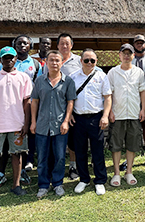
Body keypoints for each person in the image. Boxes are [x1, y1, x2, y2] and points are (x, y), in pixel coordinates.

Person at [0, 46, 32, 203]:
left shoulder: (23, 78)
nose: (8, 60)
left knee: (17, 155)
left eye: (11, 57)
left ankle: (16, 185)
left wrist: (26, 123)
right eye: (5, 58)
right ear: (0, 60)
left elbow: (27, 102)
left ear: (16, 58)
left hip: (17, 124)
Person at [31, 50, 76, 198]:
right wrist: (33, 121)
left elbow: (70, 102)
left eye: (57, 60)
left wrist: (65, 121)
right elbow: (35, 101)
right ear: (47, 62)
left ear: (62, 62)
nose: (54, 63)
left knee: (60, 156)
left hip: (59, 126)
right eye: (51, 60)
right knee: (42, 157)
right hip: (42, 125)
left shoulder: (68, 81)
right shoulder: (39, 81)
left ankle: (57, 183)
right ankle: (43, 185)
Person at [0, 35, 41, 186]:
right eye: (19, 43)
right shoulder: (5, 63)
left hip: (27, 104)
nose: (22, 45)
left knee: (27, 133)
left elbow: (38, 84)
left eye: (25, 43)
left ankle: (27, 164)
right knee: (6, 140)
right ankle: (2, 171)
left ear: (30, 46)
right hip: (7, 108)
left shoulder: (35, 64)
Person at [70, 48, 112, 195]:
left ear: (96, 61)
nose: (89, 63)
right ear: (81, 61)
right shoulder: (73, 77)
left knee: (98, 151)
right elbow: (68, 99)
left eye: (92, 60)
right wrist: (69, 115)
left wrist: (105, 116)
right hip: (78, 118)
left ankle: (100, 180)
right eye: (86, 60)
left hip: (96, 118)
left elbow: (107, 97)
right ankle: (84, 179)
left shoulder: (102, 76)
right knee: (80, 150)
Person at [107, 44, 145, 186]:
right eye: (124, 53)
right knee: (116, 144)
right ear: (119, 55)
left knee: (132, 144)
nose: (126, 56)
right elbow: (109, 93)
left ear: (133, 55)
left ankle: (129, 171)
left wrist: (143, 109)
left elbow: (142, 91)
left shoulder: (139, 72)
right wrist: (110, 111)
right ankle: (117, 173)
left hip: (134, 113)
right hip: (118, 113)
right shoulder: (112, 72)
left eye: (129, 53)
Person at [119, 34, 145, 170]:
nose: (139, 45)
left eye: (142, 43)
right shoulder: (128, 60)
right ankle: (128, 160)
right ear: (134, 44)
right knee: (130, 130)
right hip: (131, 100)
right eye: (137, 43)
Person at [56, 33, 82, 180]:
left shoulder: (79, 60)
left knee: (73, 139)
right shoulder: (53, 61)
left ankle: (73, 165)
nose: (64, 46)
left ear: (71, 45)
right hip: (56, 106)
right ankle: (57, 167)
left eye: (67, 43)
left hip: (74, 106)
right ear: (57, 45)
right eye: (62, 43)